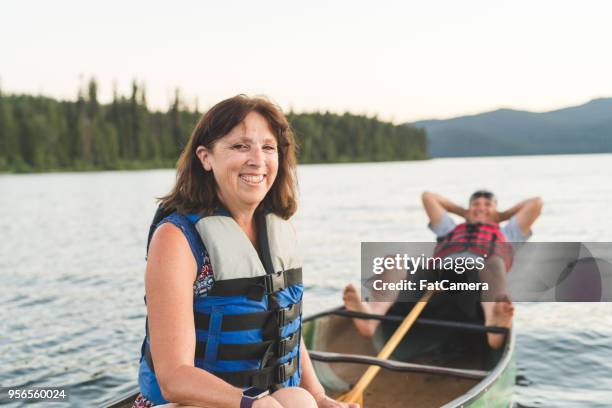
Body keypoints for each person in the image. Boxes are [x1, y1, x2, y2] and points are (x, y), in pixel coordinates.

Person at [134, 95, 358, 408]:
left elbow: (283, 326)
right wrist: (251, 402)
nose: (257, 159)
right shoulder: (177, 239)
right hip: (188, 404)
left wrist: (321, 397)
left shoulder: (280, 229)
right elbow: (174, 378)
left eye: (268, 147)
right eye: (240, 146)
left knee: (300, 399)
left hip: (268, 401)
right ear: (206, 157)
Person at [343, 190, 543, 349]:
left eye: (488, 205)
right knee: (394, 260)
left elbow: (535, 203)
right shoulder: (449, 229)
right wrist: (463, 212)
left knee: (494, 262)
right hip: (438, 278)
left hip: (476, 286)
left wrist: (501, 216)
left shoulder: (508, 232)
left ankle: (494, 324)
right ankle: (372, 317)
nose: (481, 208)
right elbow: (428, 197)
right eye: (476, 204)